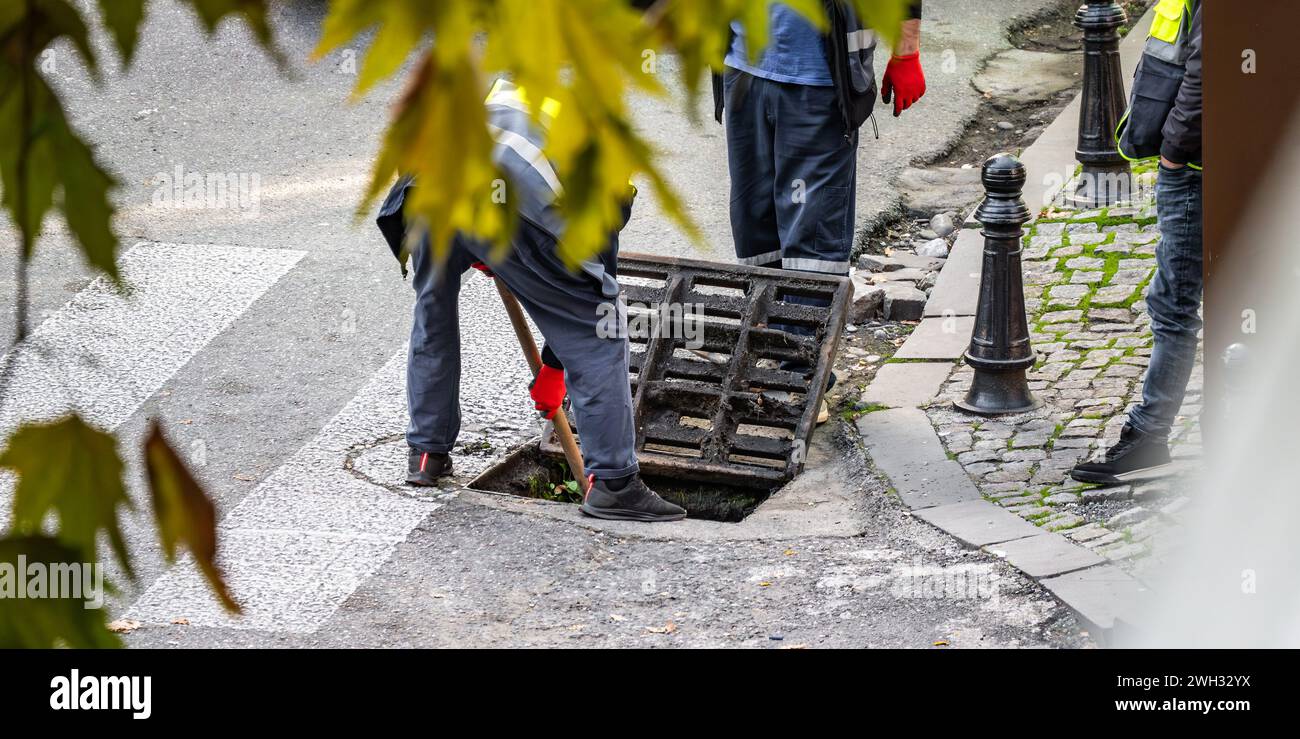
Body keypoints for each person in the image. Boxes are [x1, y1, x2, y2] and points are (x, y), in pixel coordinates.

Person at [377, 78, 686, 522]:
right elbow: (597, 270)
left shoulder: (514, 79)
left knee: (434, 310)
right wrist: (559, 366)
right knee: (600, 329)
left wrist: (481, 246)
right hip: (511, 197)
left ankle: (426, 453)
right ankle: (615, 486)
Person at [717, 0, 925, 421]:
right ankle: (771, 349)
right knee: (755, 225)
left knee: (812, 237)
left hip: (820, 81)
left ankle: (804, 373)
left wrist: (907, 52)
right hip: (743, 71)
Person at [1072, 0, 1202, 485]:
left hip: (1194, 171)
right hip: (1201, 163)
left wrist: (1174, 152)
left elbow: (1203, 74)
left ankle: (1150, 436)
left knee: (1173, 304)